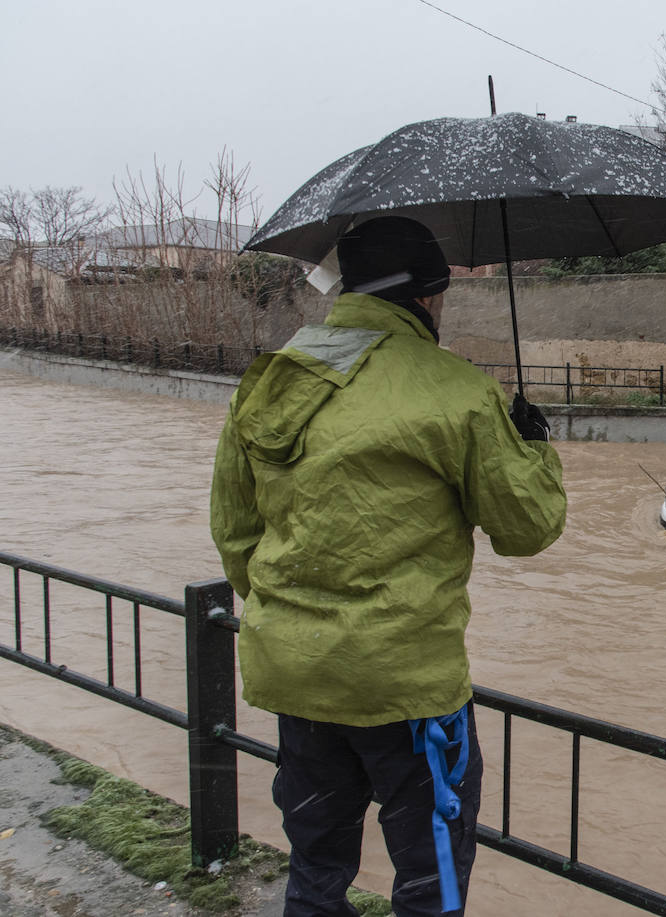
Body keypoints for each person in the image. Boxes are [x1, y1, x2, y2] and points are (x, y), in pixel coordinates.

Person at [210, 216, 566, 916]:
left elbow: (234, 531)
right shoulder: (455, 389)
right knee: (431, 879)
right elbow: (527, 529)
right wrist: (532, 447)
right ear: (425, 297)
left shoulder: (271, 379)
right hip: (406, 692)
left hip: (296, 676)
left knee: (316, 867)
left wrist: (297, 616)